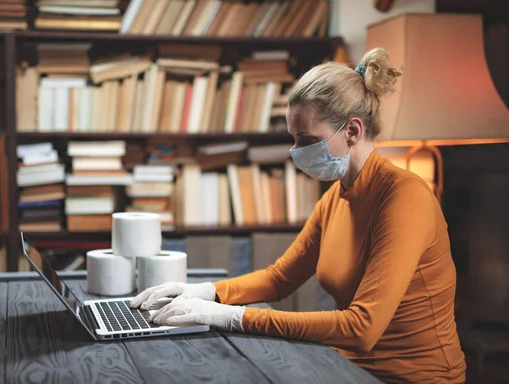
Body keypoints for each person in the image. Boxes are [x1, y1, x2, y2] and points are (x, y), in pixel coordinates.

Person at [130, 48, 466, 384]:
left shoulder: (404, 197)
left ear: (352, 131)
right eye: (294, 139)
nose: (296, 152)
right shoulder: (336, 197)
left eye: (307, 140)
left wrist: (231, 317)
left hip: (416, 378)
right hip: (347, 368)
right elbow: (280, 279)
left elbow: (362, 328)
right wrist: (205, 292)